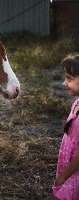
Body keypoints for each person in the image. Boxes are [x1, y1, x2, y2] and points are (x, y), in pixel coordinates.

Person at [53, 55, 79, 199]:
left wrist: (63, 177)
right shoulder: (76, 103)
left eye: (69, 79)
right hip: (68, 161)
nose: (64, 83)